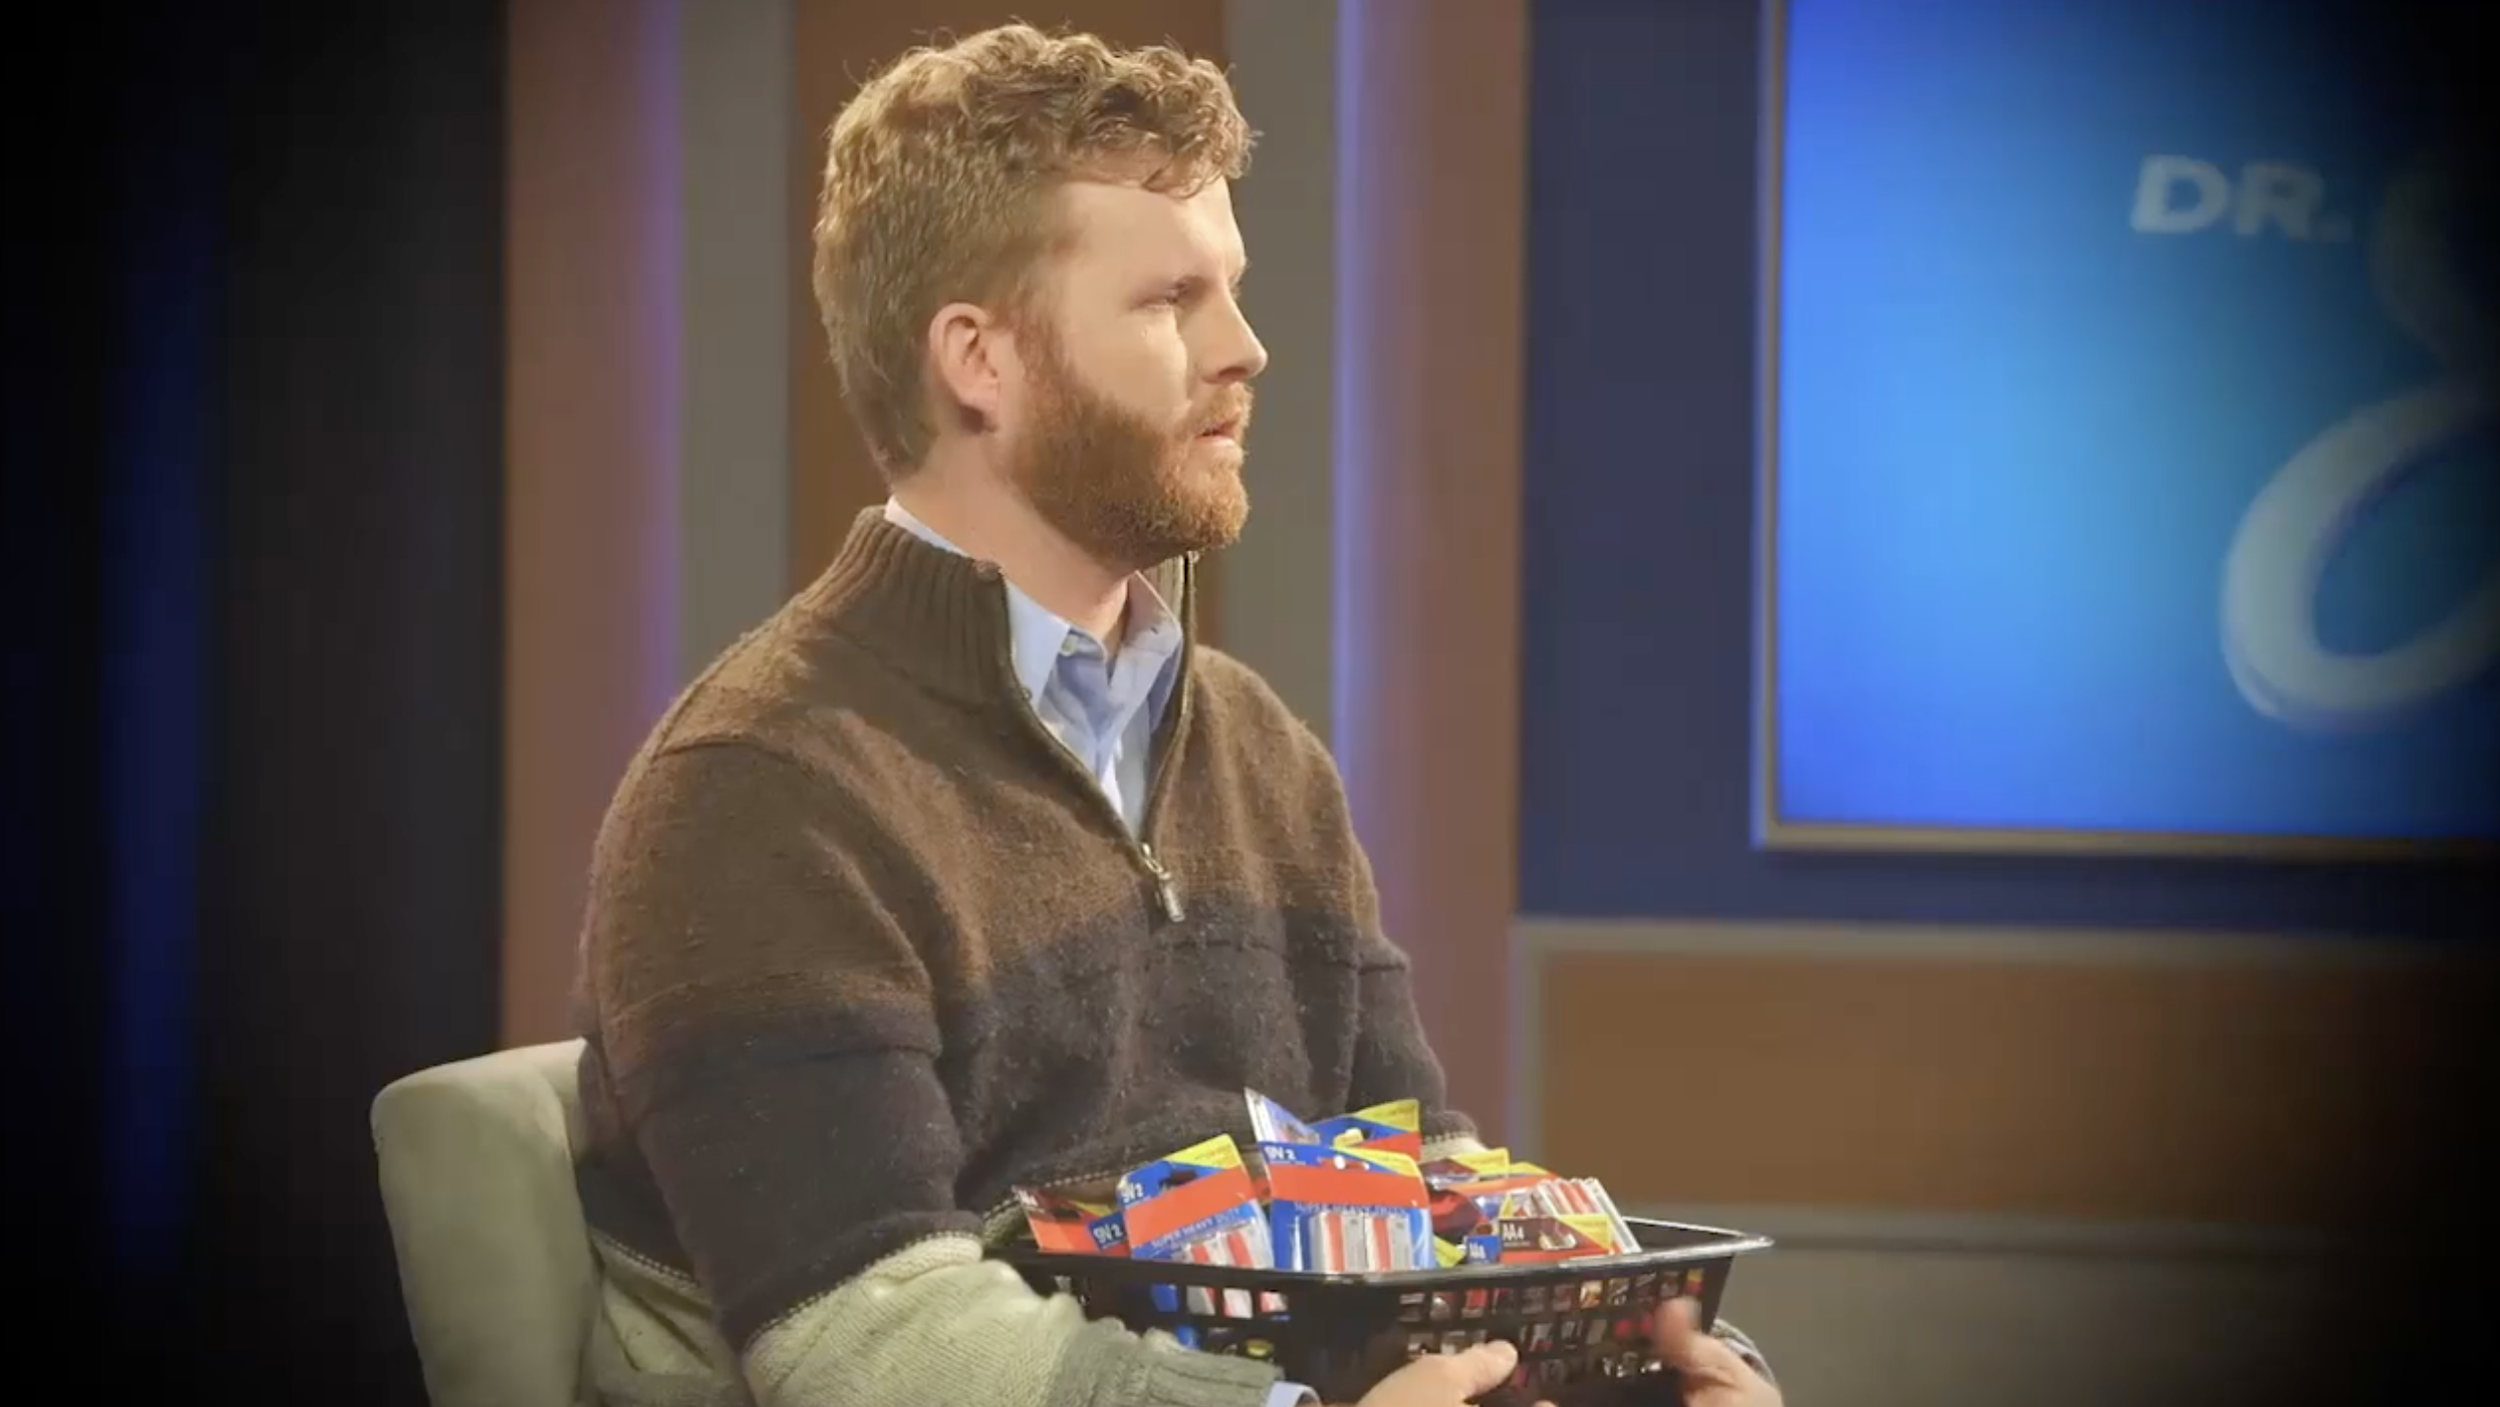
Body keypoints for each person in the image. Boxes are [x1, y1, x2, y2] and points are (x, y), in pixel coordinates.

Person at [566, 21, 1780, 1407]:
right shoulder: (760, 789)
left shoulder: (1261, 754)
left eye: (1234, 291)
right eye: (1169, 301)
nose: (1247, 349)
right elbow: (874, 1342)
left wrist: (1637, 1375)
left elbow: (1432, 1203)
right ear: (979, 359)